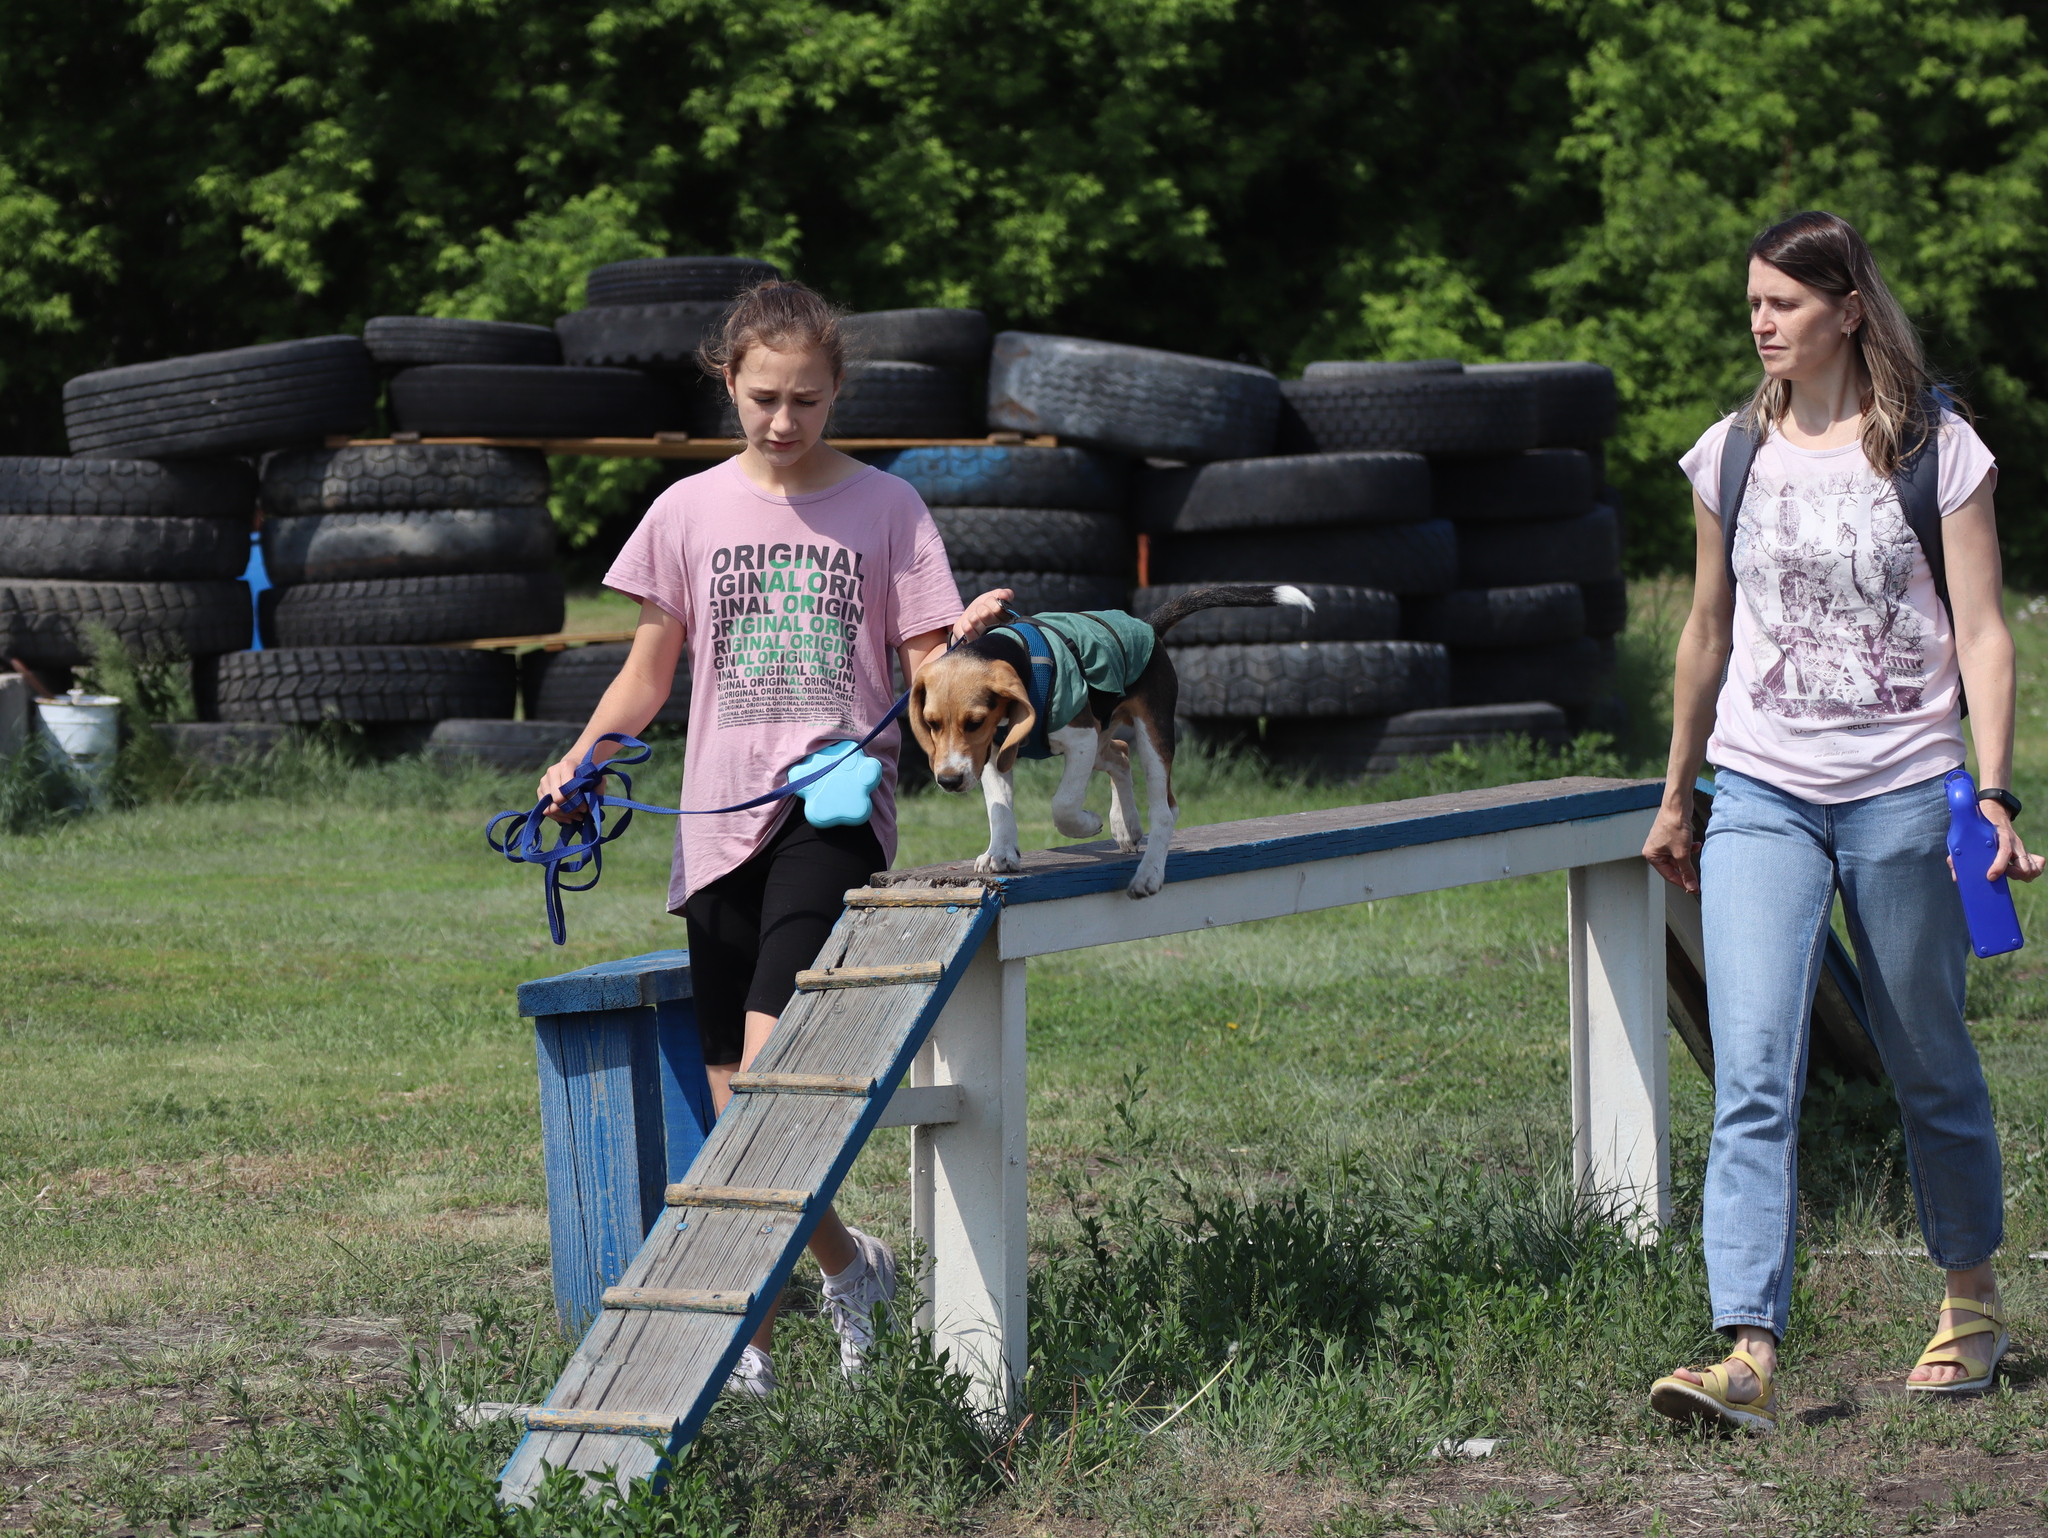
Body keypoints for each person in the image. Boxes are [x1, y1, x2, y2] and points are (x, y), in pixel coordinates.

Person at [536, 279, 1011, 1396]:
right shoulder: (685, 510)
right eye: (763, 398)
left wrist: (972, 645)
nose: (784, 419)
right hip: (717, 822)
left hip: (833, 809)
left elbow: (930, 672)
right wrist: (580, 759)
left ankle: (739, 1339)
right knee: (732, 1097)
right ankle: (851, 1268)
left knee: (762, 1077)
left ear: (837, 390)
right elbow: (648, 674)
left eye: (805, 398)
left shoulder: (889, 508)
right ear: (728, 383)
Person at [1642, 210, 2044, 1434]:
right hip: (1758, 791)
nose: (1759, 322)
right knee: (1752, 1066)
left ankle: (1968, 1301)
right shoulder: (1727, 454)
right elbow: (1704, 630)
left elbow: (1983, 632)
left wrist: (1991, 791)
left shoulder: (1936, 450)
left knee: (1925, 1052)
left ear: (1847, 309)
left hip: (1901, 793)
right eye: (1751, 303)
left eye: (1782, 303)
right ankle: (1745, 1350)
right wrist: (1675, 792)